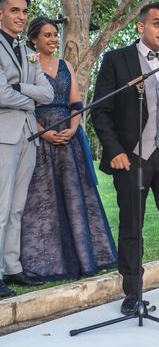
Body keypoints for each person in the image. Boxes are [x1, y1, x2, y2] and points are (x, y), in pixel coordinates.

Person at [91, 2, 159, 315]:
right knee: (131, 227)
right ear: (141, 27)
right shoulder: (116, 60)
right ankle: (133, 293)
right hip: (133, 156)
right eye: (157, 23)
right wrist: (114, 150)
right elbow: (100, 110)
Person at [19, 17, 117, 281]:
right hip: (39, 135)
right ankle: (46, 262)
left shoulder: (65, 66)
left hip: (69, 136)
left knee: (76, 195)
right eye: (47, 35)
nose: (53, 39)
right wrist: (43, 131)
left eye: (55, 35)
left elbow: (76, 103)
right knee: (43, 197)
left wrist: (74, 128)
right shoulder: (27, 65)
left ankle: (87, 257)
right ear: (34, 40)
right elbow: (25, 104)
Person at [0, 0, 54, 298]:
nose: (21, 16)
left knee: (17, 207)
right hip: (3, 136)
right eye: (15, 10)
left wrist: (19, 86)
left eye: (24, 11)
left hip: (27, 136)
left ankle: (13, 267)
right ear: (1, 14)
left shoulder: (26, 50)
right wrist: (27, 95)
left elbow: (46, 93)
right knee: (1, 207)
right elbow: (0, 94)